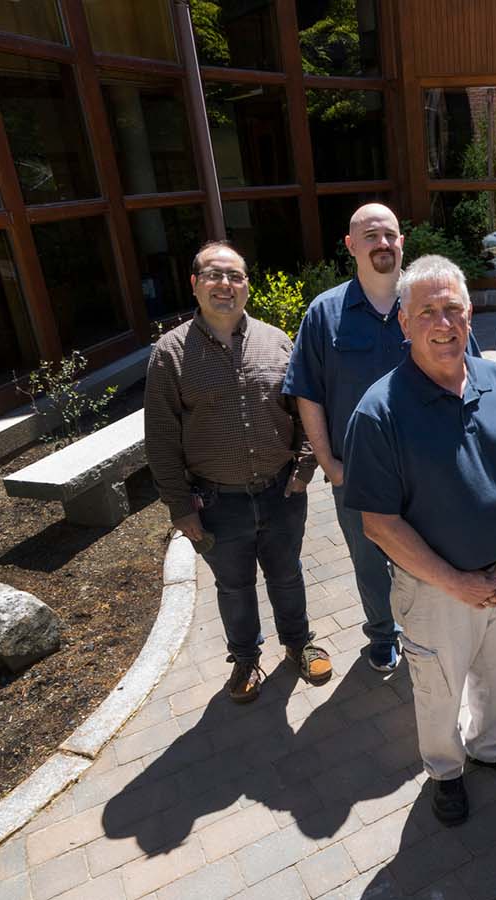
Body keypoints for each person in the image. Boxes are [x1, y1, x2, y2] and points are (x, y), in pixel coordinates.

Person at [344, 255, 496, 827]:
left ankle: (495, 748)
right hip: (433, 590)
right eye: (426, 310)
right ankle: (445, 771)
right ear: (403, 324)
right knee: (438, 690)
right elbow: (379, 524)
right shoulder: (379, 412)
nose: (443, 321)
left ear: (469, 312)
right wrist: (454, 582)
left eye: (452, 307)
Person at [145, 241, 331, 703]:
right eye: (214, 275)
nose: (225, 285)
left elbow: (304, 408)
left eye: (235, 276)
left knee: (287, 573)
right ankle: (245, 658)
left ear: (247, 284)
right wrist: (178, 508)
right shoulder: (170, 354)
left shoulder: (276, 341)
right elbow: (162, 438)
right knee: (234, 585)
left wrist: (304, 468)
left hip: (281, 491)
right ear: (195, 284)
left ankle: (298, 643)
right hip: (216, 501)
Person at [284, 204, 421, 672]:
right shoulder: (325, 314)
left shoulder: (424, 303)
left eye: (390, 234)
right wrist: (329, 463)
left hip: (425, 468)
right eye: (370, 236)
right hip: (357, 472)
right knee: (368, 561)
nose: (382, 243)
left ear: (402, 241)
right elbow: (308, 393)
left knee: (427, 555)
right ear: (351, 245)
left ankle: (428, 630)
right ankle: (383, 634)